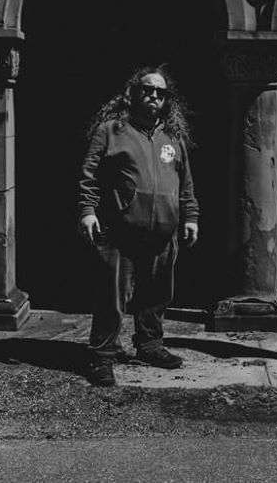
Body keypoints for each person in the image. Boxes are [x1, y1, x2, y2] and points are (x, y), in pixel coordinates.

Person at [78, 65, 199, 387]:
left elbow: (185, 182)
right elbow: (89, 175)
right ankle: (102, 355)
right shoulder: (111, 130)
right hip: (120, 231)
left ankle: (150, 346)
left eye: (160, 92)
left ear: (167, 100)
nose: (154, 96)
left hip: (164, 232)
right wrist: (88, 211)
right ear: (132, 94)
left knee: (156, 295)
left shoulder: (173, 137)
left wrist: (191, 217)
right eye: (147, 90)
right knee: (112, 298)